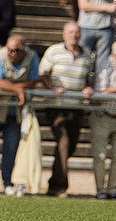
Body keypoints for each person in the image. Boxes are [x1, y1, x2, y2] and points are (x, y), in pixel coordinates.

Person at [0, 34, 39, 196]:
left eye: (15, 51)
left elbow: (33, 81)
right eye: (9, 50)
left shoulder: (32, 57)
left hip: (15, 112)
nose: (11, 54)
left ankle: (8, 182)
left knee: (11, 149)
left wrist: (12, 86)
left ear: (23, 50)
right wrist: (18, 89)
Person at [39, 21, 94, 197]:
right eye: (70, 32)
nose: (74, 35)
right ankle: (61, 186)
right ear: (64, 34)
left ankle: (53, 183)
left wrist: (88, 87)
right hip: (57, 106)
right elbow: (42, 73)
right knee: (63, 140)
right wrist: (51, 88)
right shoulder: (53, 51)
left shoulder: (86, 55)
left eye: (77, 32)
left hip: (76, 107)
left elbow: (89, 78)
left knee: (70, 146)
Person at [90, 41, 116, 199]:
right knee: (99, 156)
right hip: (103, 115)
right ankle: (100, 190)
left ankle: (113, 188)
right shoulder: (104, 66)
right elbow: (100, 92)